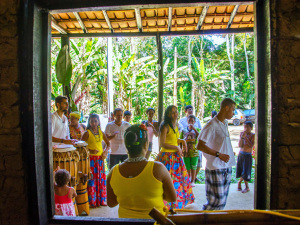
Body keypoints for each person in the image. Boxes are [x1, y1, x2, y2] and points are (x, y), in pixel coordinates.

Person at [107, 124, 176, 219]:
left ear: (126, 146)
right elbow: (172, 198)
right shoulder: (158, 169)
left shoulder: (113, 172)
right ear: (146, 144)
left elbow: (111, 203)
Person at [197, 98, 236, 210]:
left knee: (222, 202)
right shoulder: (211, 125)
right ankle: (204, 219)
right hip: (215, 167)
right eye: (232, 110)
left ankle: (214, 220)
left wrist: (228, 151)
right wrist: (219, 154)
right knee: (215, 201)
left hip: (226, 166)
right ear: (226, 108)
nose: (233, 113)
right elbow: (200, 145)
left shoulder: (225, 123)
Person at [156, 105, 195, 209]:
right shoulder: (165, 126)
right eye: (173, 112)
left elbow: (173, 139)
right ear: (168, 114)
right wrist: (177, 148)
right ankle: (166, 204)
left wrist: (181, 141)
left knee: (178, 181)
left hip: (175, 157)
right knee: (168, 181)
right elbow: (162, 143)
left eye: (176, 112)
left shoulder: (177, 125)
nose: (175, 114)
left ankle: (176, 203)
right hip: (166, 157)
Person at [81, 114, 110, 207]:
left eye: (95, 121)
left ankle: (101, 200)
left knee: (101, 179)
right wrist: (90, 151)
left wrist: (105, 152)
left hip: (100, 160)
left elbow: (108, 144)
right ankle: (92, 201)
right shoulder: (87, 133)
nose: (93, 123)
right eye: (92, 121)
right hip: (91, 160)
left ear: (98, 122)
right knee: (92, 180)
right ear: (89, 122)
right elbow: (80, 146)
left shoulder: (101, 132)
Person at [179, 105, 202, 183]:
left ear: (194, 122)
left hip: (195, 150)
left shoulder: (197, 126)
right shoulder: (183, 125)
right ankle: (188, 179)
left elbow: (200, 136)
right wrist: (181, 149)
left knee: (195, 165)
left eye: (192, 109)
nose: (191, 110)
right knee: (187, 166)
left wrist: (194, 129)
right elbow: (181, 139)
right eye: (189, 109)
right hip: (186, 151)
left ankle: (193, 179)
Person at [236, 121, 255, 193]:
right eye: (245, 127)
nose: (245, 129)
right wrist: (242, 138)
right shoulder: (242, 134)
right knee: (241, 170)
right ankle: (239, 182)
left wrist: (246, 138)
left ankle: (247, 187)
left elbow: (251, 145)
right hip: (241, 154)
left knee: (246, 171)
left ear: (251, 128)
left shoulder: (253, 135)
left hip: (247, 155)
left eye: (247, 127)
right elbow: (240, 145)